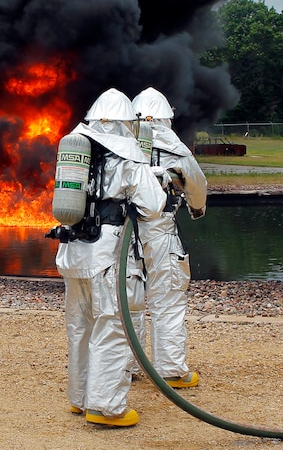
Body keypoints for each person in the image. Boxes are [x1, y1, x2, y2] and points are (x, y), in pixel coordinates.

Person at [52, 88, 166, 427]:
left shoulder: (76, 151)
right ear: (123, 125)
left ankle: (80, 398)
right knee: (112, 326)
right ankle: (106, 407)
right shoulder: (128, 158)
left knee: (80, 326)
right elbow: (153, 205)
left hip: (73, 252)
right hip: (108, 258)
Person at [131, 87, 207, 388]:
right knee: (168, 298)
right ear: (167, 118)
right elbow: (197, 187)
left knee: (127, 299)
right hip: (161, 232)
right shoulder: (177, 149)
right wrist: (196, 209)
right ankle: (172, 370)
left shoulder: (121, 146)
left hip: (124, 234)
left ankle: (127, 367)